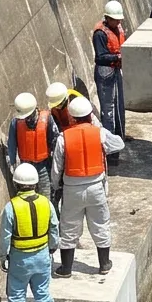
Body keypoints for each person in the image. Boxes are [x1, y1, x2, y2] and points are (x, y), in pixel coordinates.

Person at [54, 94, 126, 277]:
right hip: (96, 187)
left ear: (72, 116)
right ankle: (104, 264)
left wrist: (56, 186)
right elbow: (119, 144)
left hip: (72, 189)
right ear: (90, 114)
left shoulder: (64, 137)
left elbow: (57, 167)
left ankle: (66, 269)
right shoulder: (99, 133)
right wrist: (98, 128)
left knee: (69, 227)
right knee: (100, 224)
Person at [0, 161, 55, 302]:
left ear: (16, 184)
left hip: (19, 258)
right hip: (41, 255)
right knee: (42, 292)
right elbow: (54, 228)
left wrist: (2, 256)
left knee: (16, 295)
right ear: (36, 183)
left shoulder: (11, 207)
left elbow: (5, 235)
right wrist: (52, 247)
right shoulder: (46, 203)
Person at [4, 90, 60, 191]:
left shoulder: (47, 119)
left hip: (44, 166)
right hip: (25, 167)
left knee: (46, 196)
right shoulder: (16, 122)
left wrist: (56, 167)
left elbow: (55, 142)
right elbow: (12, 146)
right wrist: (13, 165)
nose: (26, 118)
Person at [92, 1, 129, 137]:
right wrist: (116, 57)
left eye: (119, 19)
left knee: (119, 104)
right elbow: (100, 57)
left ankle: (120, 135)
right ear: (108, 18)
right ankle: (109, 139)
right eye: (115, 20)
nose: (118, 22)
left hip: (116, 70)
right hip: (105, 72)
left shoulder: (117, 28)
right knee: (108, 109)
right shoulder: (100, 34)